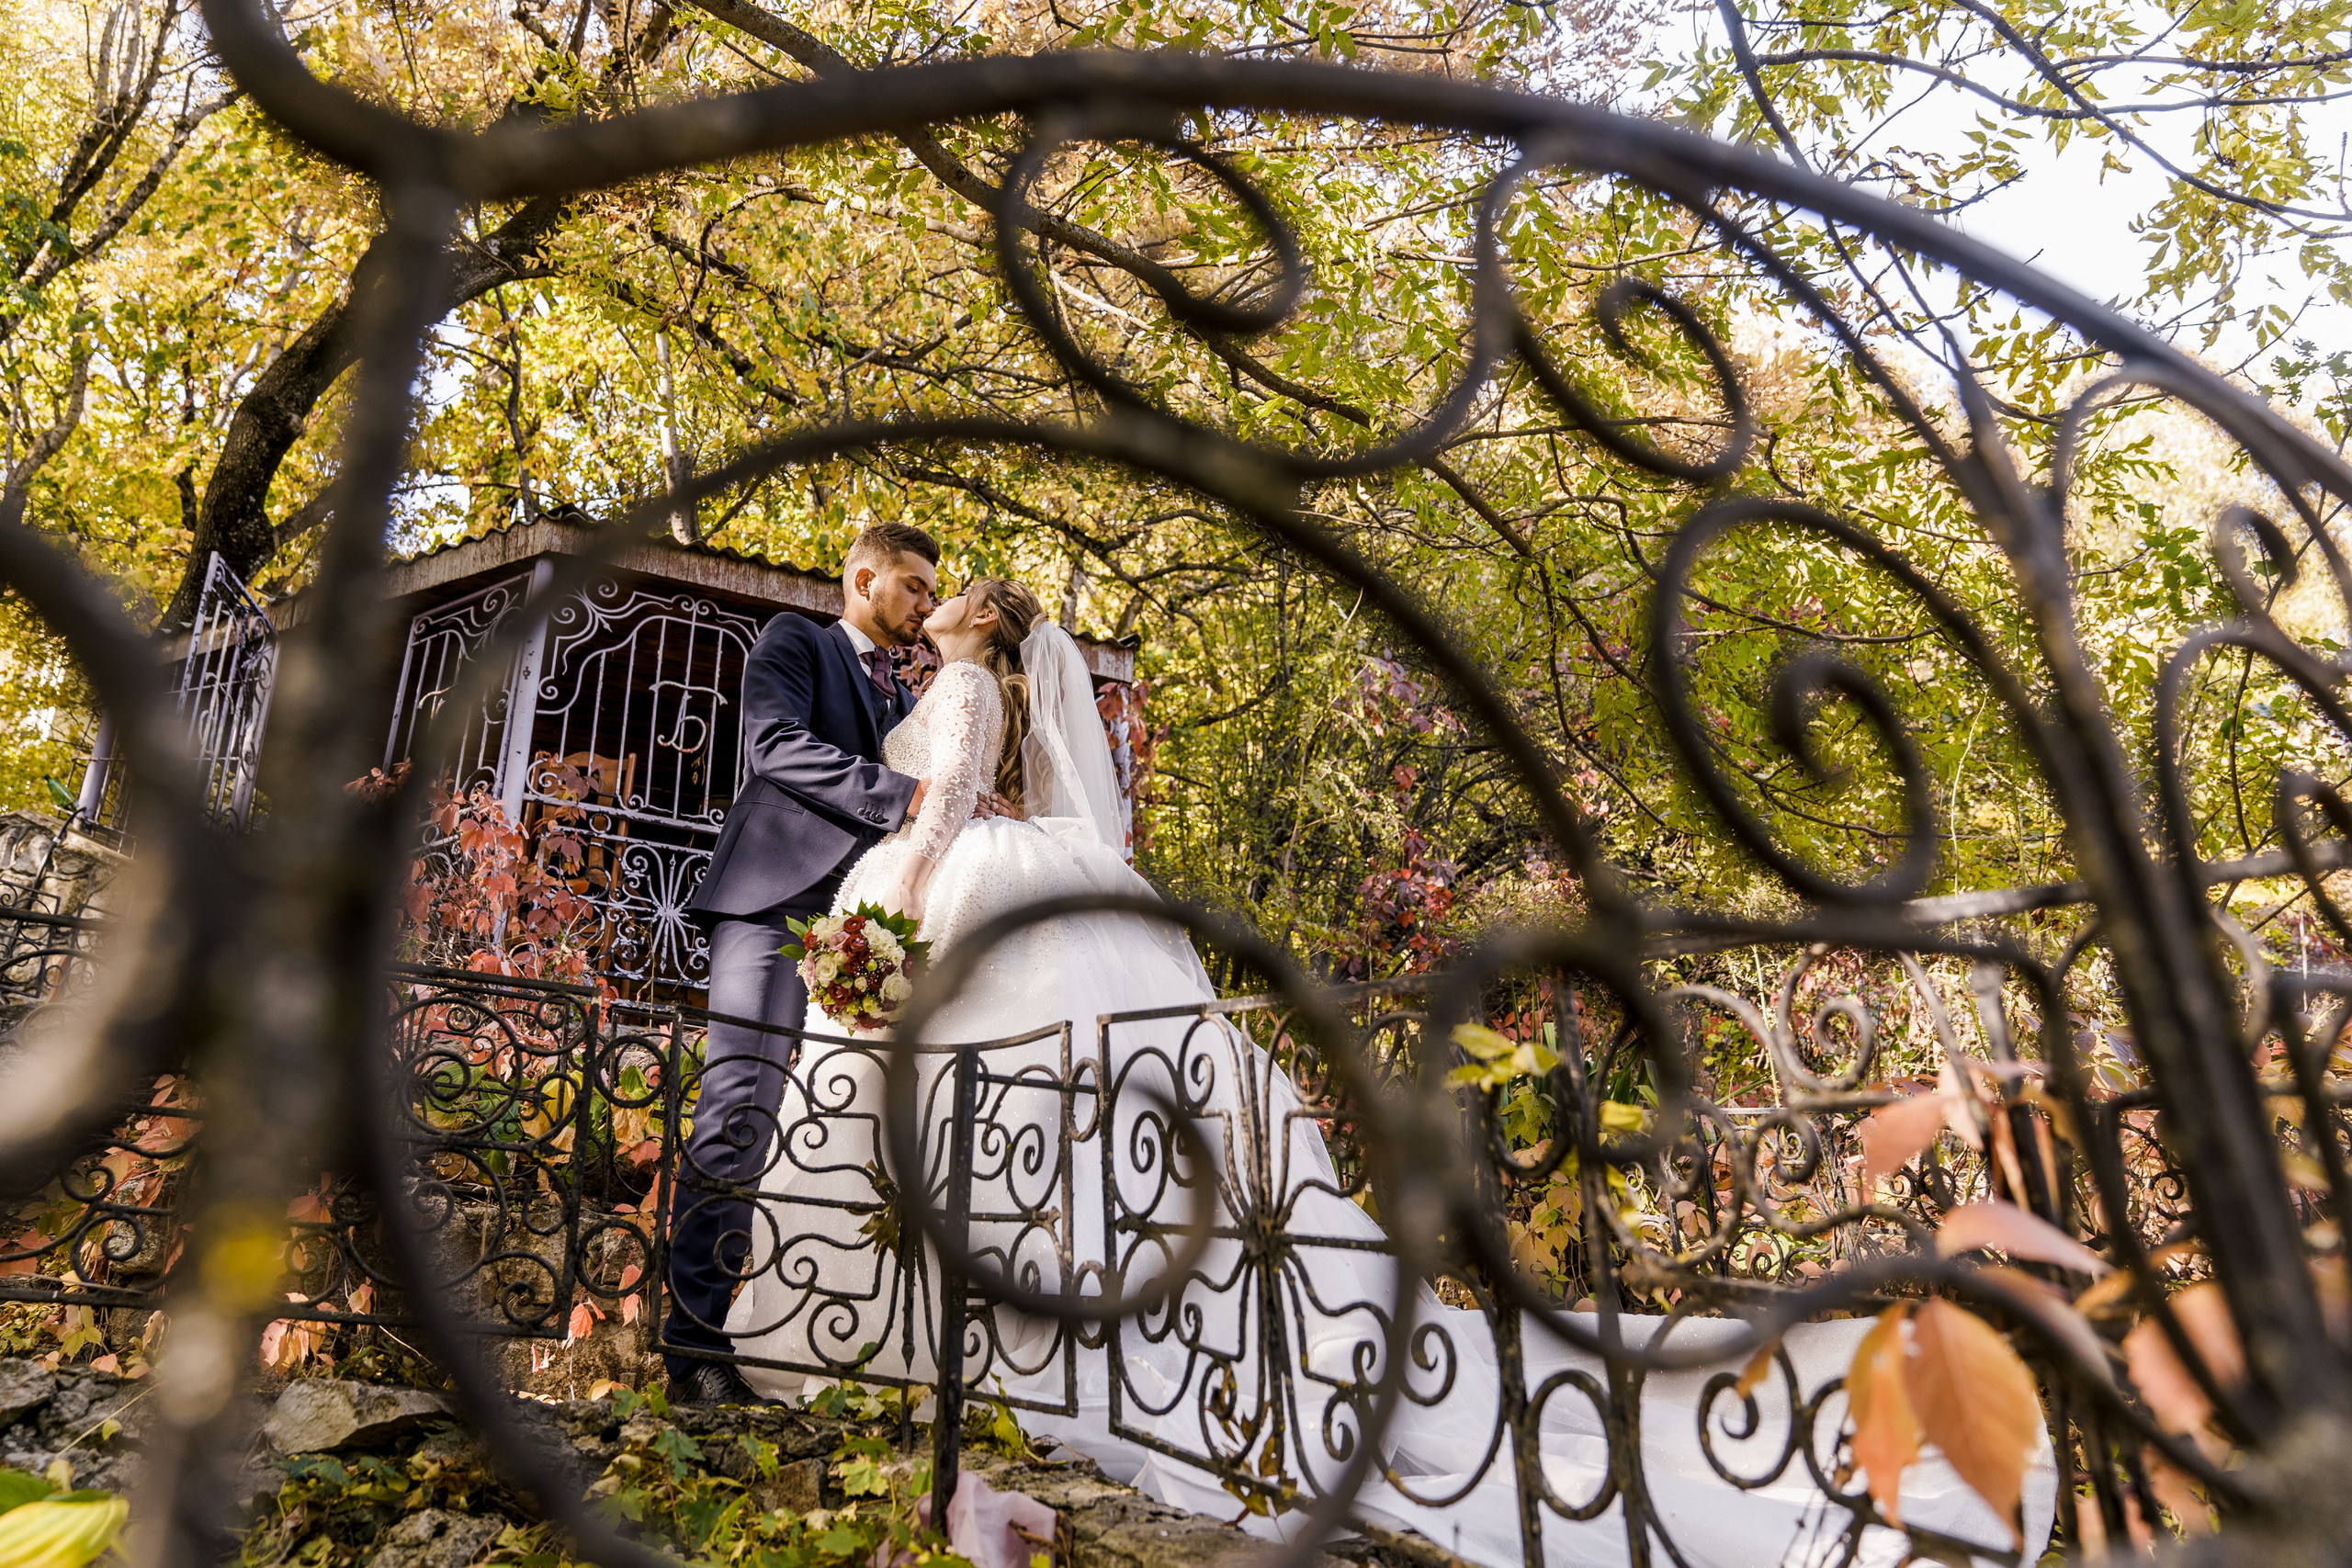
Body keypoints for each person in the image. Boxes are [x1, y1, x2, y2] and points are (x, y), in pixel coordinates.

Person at [720, 578, 2059, 1568]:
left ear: (971, 633)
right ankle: (1089, 1342)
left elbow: (944, 802)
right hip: (1062, 887)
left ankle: (959, 1353)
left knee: (987, 1110)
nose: (934, 603)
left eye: (946, 599)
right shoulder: (1025, 701)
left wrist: (870, 915)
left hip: (957, 887)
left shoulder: (955, 686)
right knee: (1077, 1118)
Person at [663, 520, 939, 1406]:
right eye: (915, 587)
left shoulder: (904, 700)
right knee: (740, 1106)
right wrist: (900, 795)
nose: (926, 606)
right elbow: (772, 745)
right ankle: (693, 1349)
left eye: (933, 593)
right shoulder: (796, 642)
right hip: (770, 904)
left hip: (859, 927)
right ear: (864, 579)